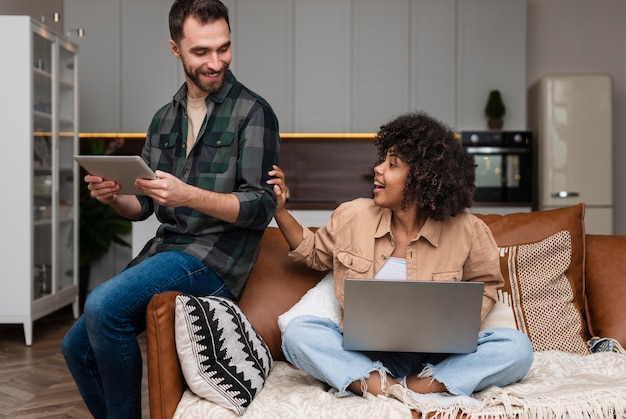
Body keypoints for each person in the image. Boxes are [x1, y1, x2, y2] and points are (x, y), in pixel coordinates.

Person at [62, 0, 280, 417]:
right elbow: (141, 205)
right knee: (75, 347)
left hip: (215, 260)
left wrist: (188, 195)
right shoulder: (164, 119)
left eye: (224, 48)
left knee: (103, 305)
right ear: (175, 48)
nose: (216, 62)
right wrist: (114, 197)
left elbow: (261, 204)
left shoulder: (254, 113)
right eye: (201, 51)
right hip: (165, 252)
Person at [266, 111, 533, 405]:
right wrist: (279, 210)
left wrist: (455, 328)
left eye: (392, 165)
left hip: (441, 357)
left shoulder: (469, 230)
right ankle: (388, 385)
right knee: (298, 333)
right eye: (383, 160)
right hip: (365, 353)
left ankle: (413, 386)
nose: (378, 169)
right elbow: (313, 252)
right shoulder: (353, 215)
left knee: (517, 348)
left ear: (422, 179)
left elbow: (485, 286)